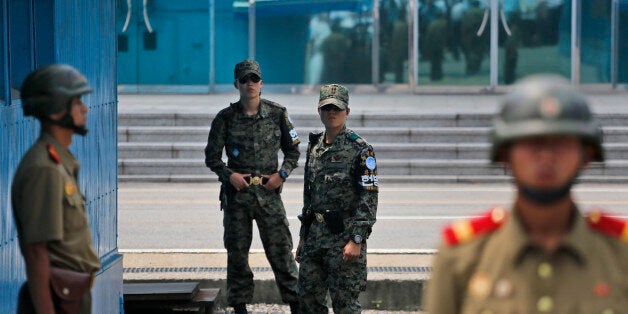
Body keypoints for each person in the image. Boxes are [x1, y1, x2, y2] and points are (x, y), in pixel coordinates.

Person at [424, 74, 628, 313]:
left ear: (587, 156)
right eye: (532, 142)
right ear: (504, 154)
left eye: (561, 142)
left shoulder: (619, 256)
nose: (546, 156)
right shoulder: (462, 258)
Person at [204, 60, 301, 314]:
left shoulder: (278, 114)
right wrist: (229, 175)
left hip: (269, 195)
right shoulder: (225, 118)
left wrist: (282, 174)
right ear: (236, 84)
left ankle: (296, 303)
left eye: (254, 79)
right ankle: (239, 307)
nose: (250, 84)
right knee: (237, 254)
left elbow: (293, 152)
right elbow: (211, 157)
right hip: (238, 197)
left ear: (261, 83)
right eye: (245, 80)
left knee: (281, 251)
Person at [12, 64, 101, 314]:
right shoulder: (44, 169)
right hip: (56, 297)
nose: (84, 108)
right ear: (55, 111)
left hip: (70, 293)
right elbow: (36, 252)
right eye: (77, 102)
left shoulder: (60, 162)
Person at [296, 84, 379, 313]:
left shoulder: (360, 149)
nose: (332, 113)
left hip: (344, 237)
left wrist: (357, 239)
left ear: (347, 112)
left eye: (337, 109)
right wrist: (303, 236)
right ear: (319, 111)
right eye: (327, 108)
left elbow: (369, 197)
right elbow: (308, 195)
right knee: (308, 301)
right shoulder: (314, 146)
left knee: (345, 305)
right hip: (315, 236)